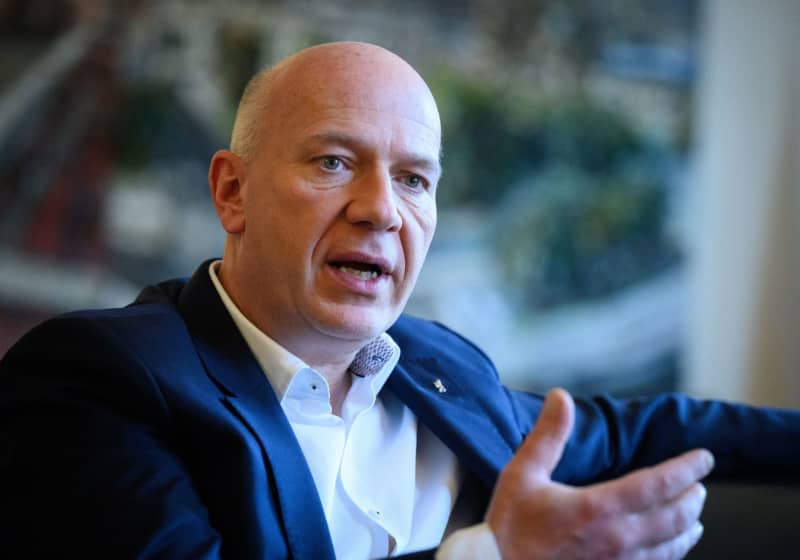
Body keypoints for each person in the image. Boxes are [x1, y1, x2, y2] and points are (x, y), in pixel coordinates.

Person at [0, 42, 797, 560]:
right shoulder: (97, 380)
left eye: (415, 179)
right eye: (336, 162)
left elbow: (634, 431)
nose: (382, 209)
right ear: (232, 192)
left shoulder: (443, 364)